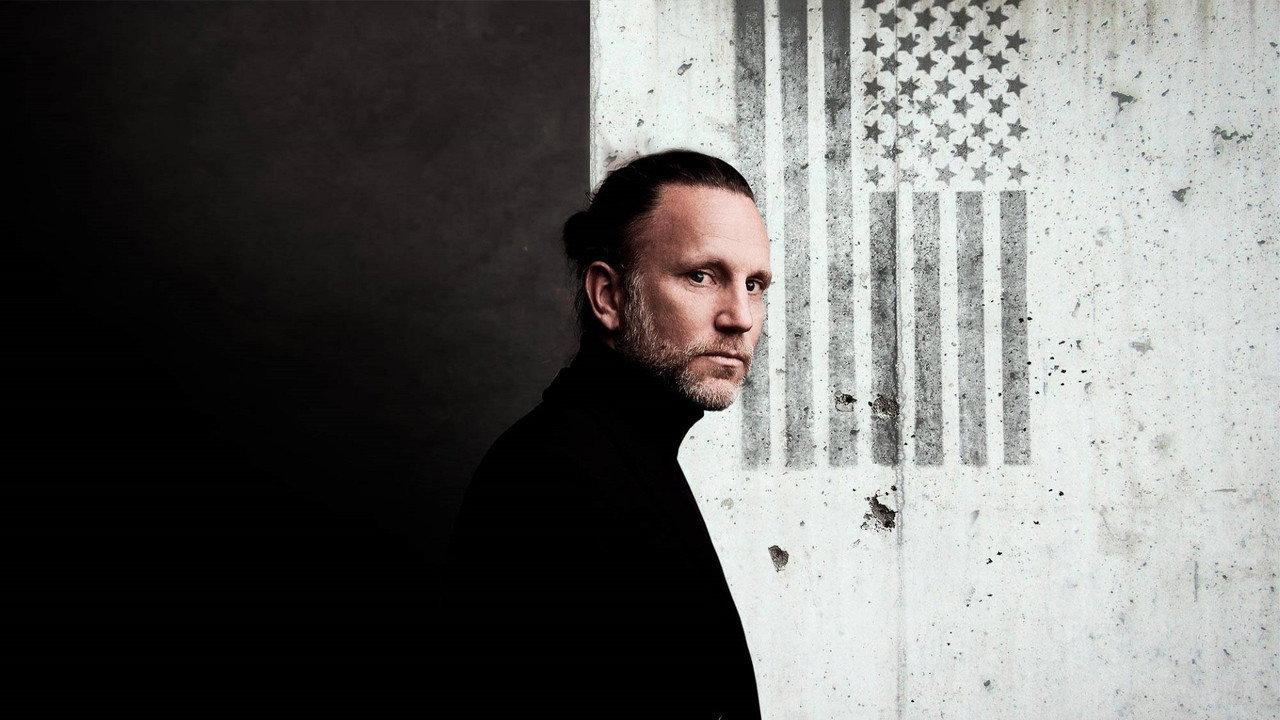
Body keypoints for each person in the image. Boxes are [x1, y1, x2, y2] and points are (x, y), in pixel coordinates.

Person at [442, 150, 771, 718]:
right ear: (609, 296)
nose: (740, 316)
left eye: (755, 284)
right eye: (701, 276)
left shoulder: (626, 458)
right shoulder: (549, 480)